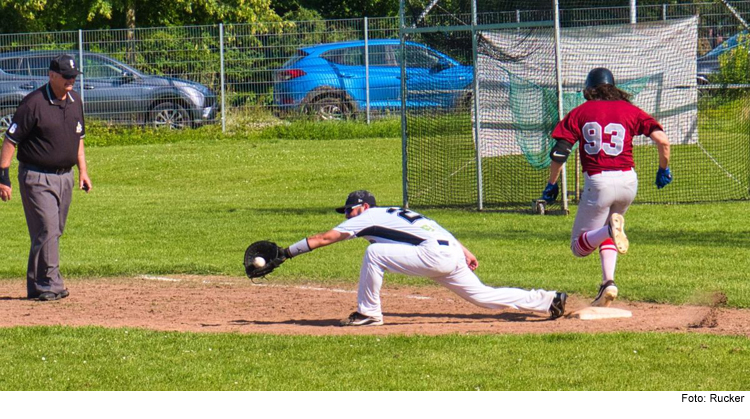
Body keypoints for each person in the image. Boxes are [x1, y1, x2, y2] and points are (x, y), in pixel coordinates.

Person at [279, 190, 567, 326]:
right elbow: (432, 227)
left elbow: (325, 238)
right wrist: (464, 251)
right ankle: (548, 299)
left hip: (433, 254)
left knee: (374, 253)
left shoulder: (367, 216)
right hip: (446, 251)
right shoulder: (394, 213)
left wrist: (285, 253)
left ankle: (368, 313)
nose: (347, 216)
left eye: (349, 210)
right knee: (482, 296)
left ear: (364, 206)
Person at [540, 67, 671, 307]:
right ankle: (608, 283)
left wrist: (551, 184)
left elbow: (560, 153)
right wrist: (663, 169)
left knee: (579, 247)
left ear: (589, 90)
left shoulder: (580, 112)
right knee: (608, 225)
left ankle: (610, 231)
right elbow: (662, 140)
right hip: (628, 181)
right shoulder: (630, 110)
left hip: (599, 181)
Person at [0, 54, 92, 301]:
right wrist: (3, 176)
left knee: (52, 231)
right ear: (51, 75)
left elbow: (79, 140)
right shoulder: (33, 104)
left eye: (73, 76)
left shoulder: (75, 101)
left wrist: (83, 171)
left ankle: (37, 285)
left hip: (65, 177)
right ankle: (50, 284)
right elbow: (11, 140)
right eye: (66, 76)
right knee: (47, 229)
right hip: (36, 177)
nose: (71, 80)